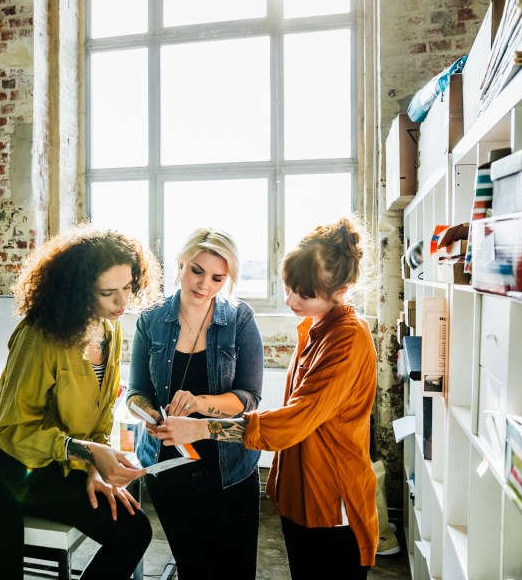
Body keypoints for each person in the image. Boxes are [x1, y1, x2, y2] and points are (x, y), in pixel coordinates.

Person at [156, 217, 378, 579]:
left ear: (342, 289)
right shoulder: (317, 327)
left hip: (331, 501)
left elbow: (295, 420)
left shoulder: (348, 338)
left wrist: (200, 429)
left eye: (303, 294)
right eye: (288, 287)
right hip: (301, 494)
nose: (290, 300)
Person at [0, 226, 163, 580]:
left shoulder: (110, 327)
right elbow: (14, 430)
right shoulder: (41, 335)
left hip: (51, 462)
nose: (122, 303)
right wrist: (88, 452)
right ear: (77, 291)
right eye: (108, 292)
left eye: (128, 287)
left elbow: (101, 411)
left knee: (134, 532)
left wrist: (95, 464)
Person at [126, 228, 263, 580]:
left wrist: (200, 401)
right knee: (194, 566)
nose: (204, 285)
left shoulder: (239, 320)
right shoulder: (150, 320)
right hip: (167, 465)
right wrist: (152, 415)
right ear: (181, 263)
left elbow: (249, 398)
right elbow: (136, 392)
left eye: (218, 278)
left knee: (235, 568)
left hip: (230, 467)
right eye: (197, 271)